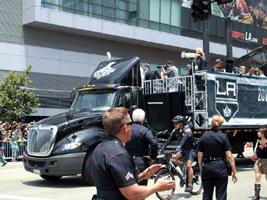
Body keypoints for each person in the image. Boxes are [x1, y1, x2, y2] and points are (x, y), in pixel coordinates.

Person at [91, 107, 175, 200]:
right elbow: (132, 193)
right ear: (125, 128)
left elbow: (114, 183)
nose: (133, 126)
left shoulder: (100, 148)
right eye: (131, 123)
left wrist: (142, 176)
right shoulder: (119, 155)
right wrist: (157, 187)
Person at [198, 115, 238, 200]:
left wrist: (201, 168)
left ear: (211, 123)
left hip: (207, 166)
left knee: (207, 194)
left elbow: (199, 155)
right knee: (221, 194)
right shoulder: (223, 137)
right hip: (220, 166)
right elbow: (229, 156)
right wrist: (234, 171)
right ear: (220, 125)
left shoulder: (203, 137)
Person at [158, 115, 197, 192]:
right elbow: (169, 139)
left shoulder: (187, 130)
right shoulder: (175, 130)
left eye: (176, 123)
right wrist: (162, 148)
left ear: (181, 124)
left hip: (191, 149)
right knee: (172, 158)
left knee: (189, 166)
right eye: (174, 123)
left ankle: (189, 184)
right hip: (183, 149)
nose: (174, 125)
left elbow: (183, 140)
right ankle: (184, 171)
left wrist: (179, 147)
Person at [125, 108, 158, 186]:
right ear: (143, 119)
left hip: (126, 161)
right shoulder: (144, 130)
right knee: (141, 187)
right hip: (140, 162)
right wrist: (152, 157)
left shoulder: (126, 129)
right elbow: (154, 143)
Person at [251, 128, 267, 200]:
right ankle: (257, 195)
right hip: (258, 161)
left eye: (259, 132)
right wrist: (254, 155)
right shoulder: (258, 141)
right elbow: (255, 151)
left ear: (263, 134)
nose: (258, 133)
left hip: (266, 161)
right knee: (257, 177)